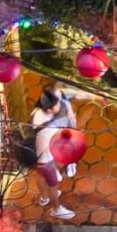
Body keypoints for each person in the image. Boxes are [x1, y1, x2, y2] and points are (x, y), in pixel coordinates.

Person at [29, 85, 79, 220]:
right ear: (50, 109)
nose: (59, 105)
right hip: (46, 161)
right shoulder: (52, 128)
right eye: (57, 104)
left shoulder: (36, 112)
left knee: (40, 176)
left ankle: (44, 198)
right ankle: (56, 209)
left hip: (35, 156)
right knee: (54, 183)